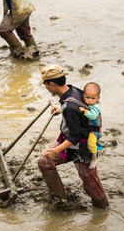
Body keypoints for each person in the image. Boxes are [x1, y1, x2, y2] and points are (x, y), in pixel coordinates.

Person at [37, 65, 109, 209]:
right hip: (69, 143)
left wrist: (55, 150)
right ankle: (60, 200)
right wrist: (60, 110)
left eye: (45, 84)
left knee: (93, 189)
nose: (45, 87)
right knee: (45, 162)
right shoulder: (73, 91)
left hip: (82, 148)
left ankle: (103, 211)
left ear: (52, 84)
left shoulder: (70, 106)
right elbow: (76, 113)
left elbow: (75, 135)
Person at [78, 82, 103, 170]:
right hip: (88, 128)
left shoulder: (96, 106)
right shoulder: (89, 104)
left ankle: (94, 158)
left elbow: (92, 116)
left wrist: (84, 111)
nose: (89, 100)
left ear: (98, 98)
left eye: (93, 98)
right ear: (83, 96)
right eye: (87, 97)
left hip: (94, 130)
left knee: (91, 144)